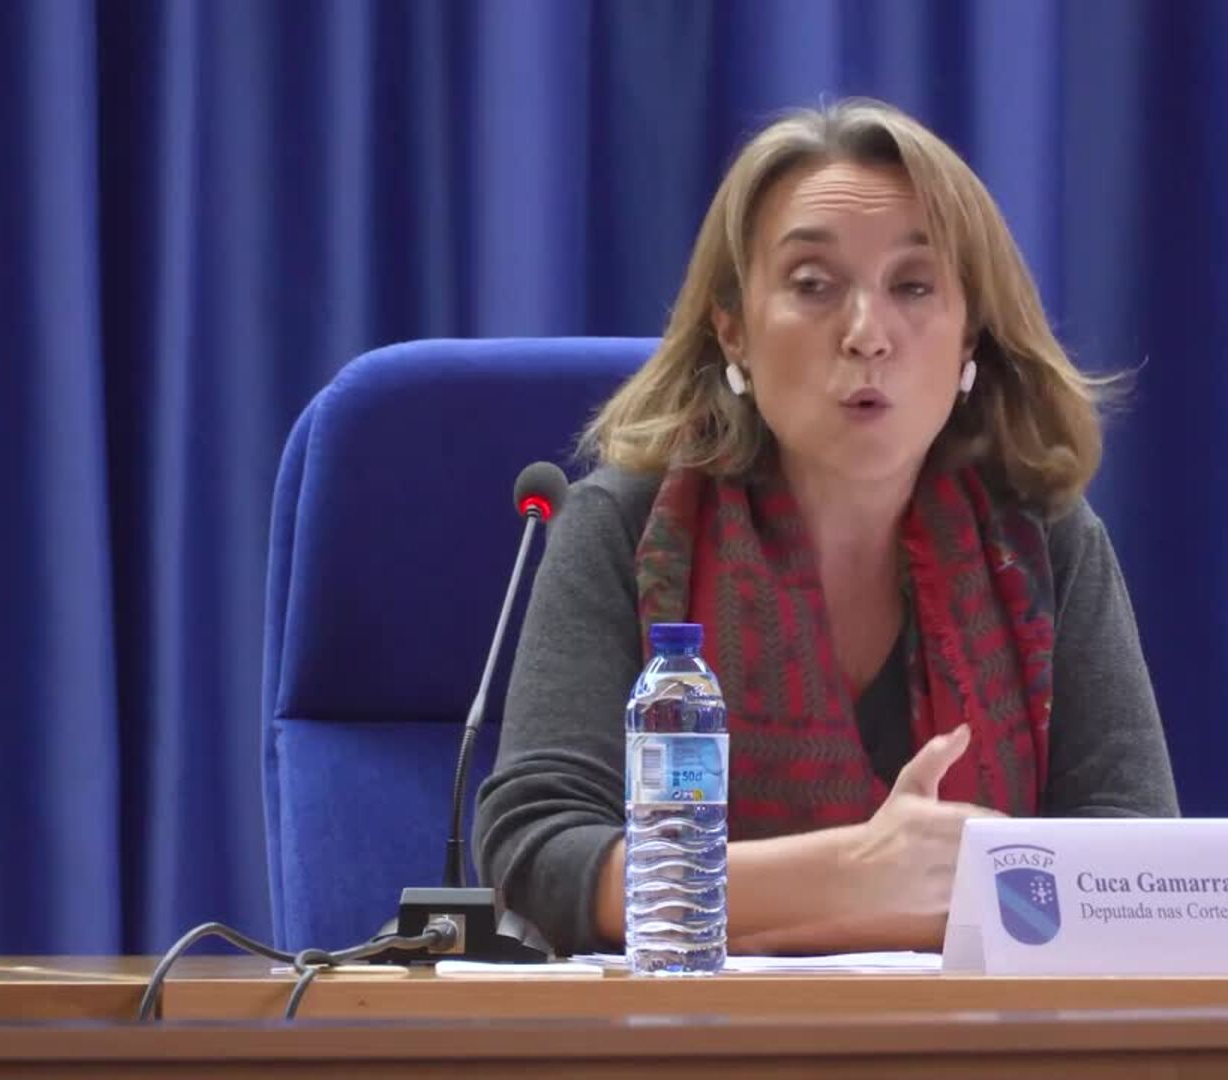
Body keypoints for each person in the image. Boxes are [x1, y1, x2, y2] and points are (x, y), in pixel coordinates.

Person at [474, 98, 1177, 958]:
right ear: (733, 328)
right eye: (813, 285)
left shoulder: (1042, 542)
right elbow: (538, 857)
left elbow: (1136, 864)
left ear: (971, 338)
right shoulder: (627, 528)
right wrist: (855, 874)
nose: (867, 335)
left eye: (913, 286)